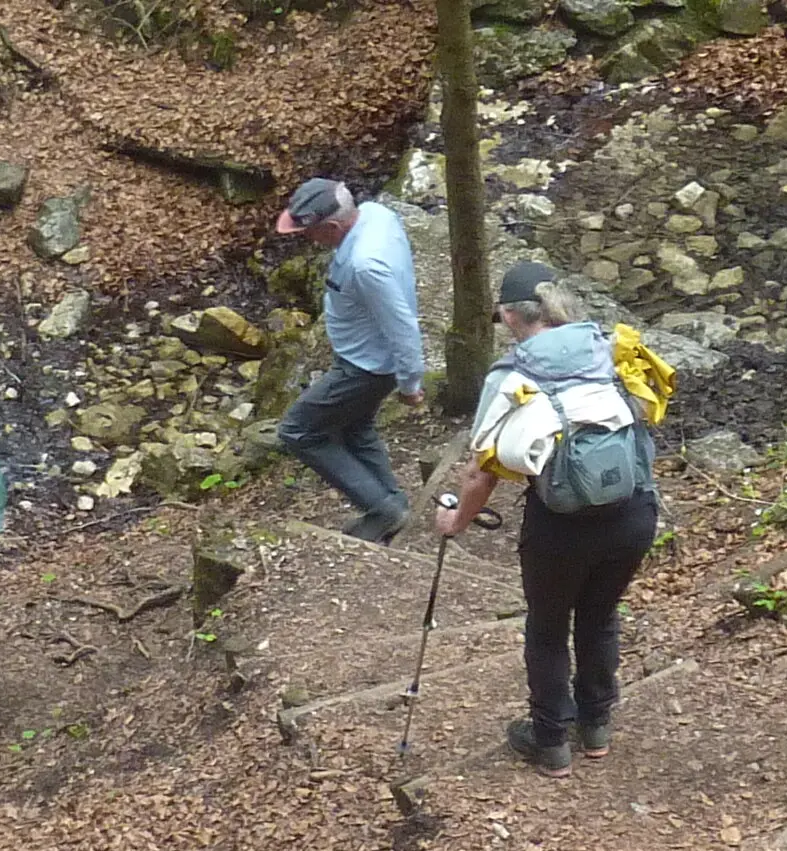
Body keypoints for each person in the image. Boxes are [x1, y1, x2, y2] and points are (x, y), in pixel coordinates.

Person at [435, 263, 659, 777]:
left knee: (548, 627)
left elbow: (482, 473)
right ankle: (596, 727)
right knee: (600, 615)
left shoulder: (511, 376)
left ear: (511, 316)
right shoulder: (612, 348)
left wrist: (456, 523)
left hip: (560, 526)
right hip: (633, 512)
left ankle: (552, 740)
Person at [274, 178, 425, 544]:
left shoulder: (365, 266)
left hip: (366, 368)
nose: (308, 240)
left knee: (298, 430)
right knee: (356, 428)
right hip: (363, 356)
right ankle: (392, 506)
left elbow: (402, 325)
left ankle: (383, 509)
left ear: (332, 227)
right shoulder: (374, 214)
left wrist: (410, 383)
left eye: (310, 233)